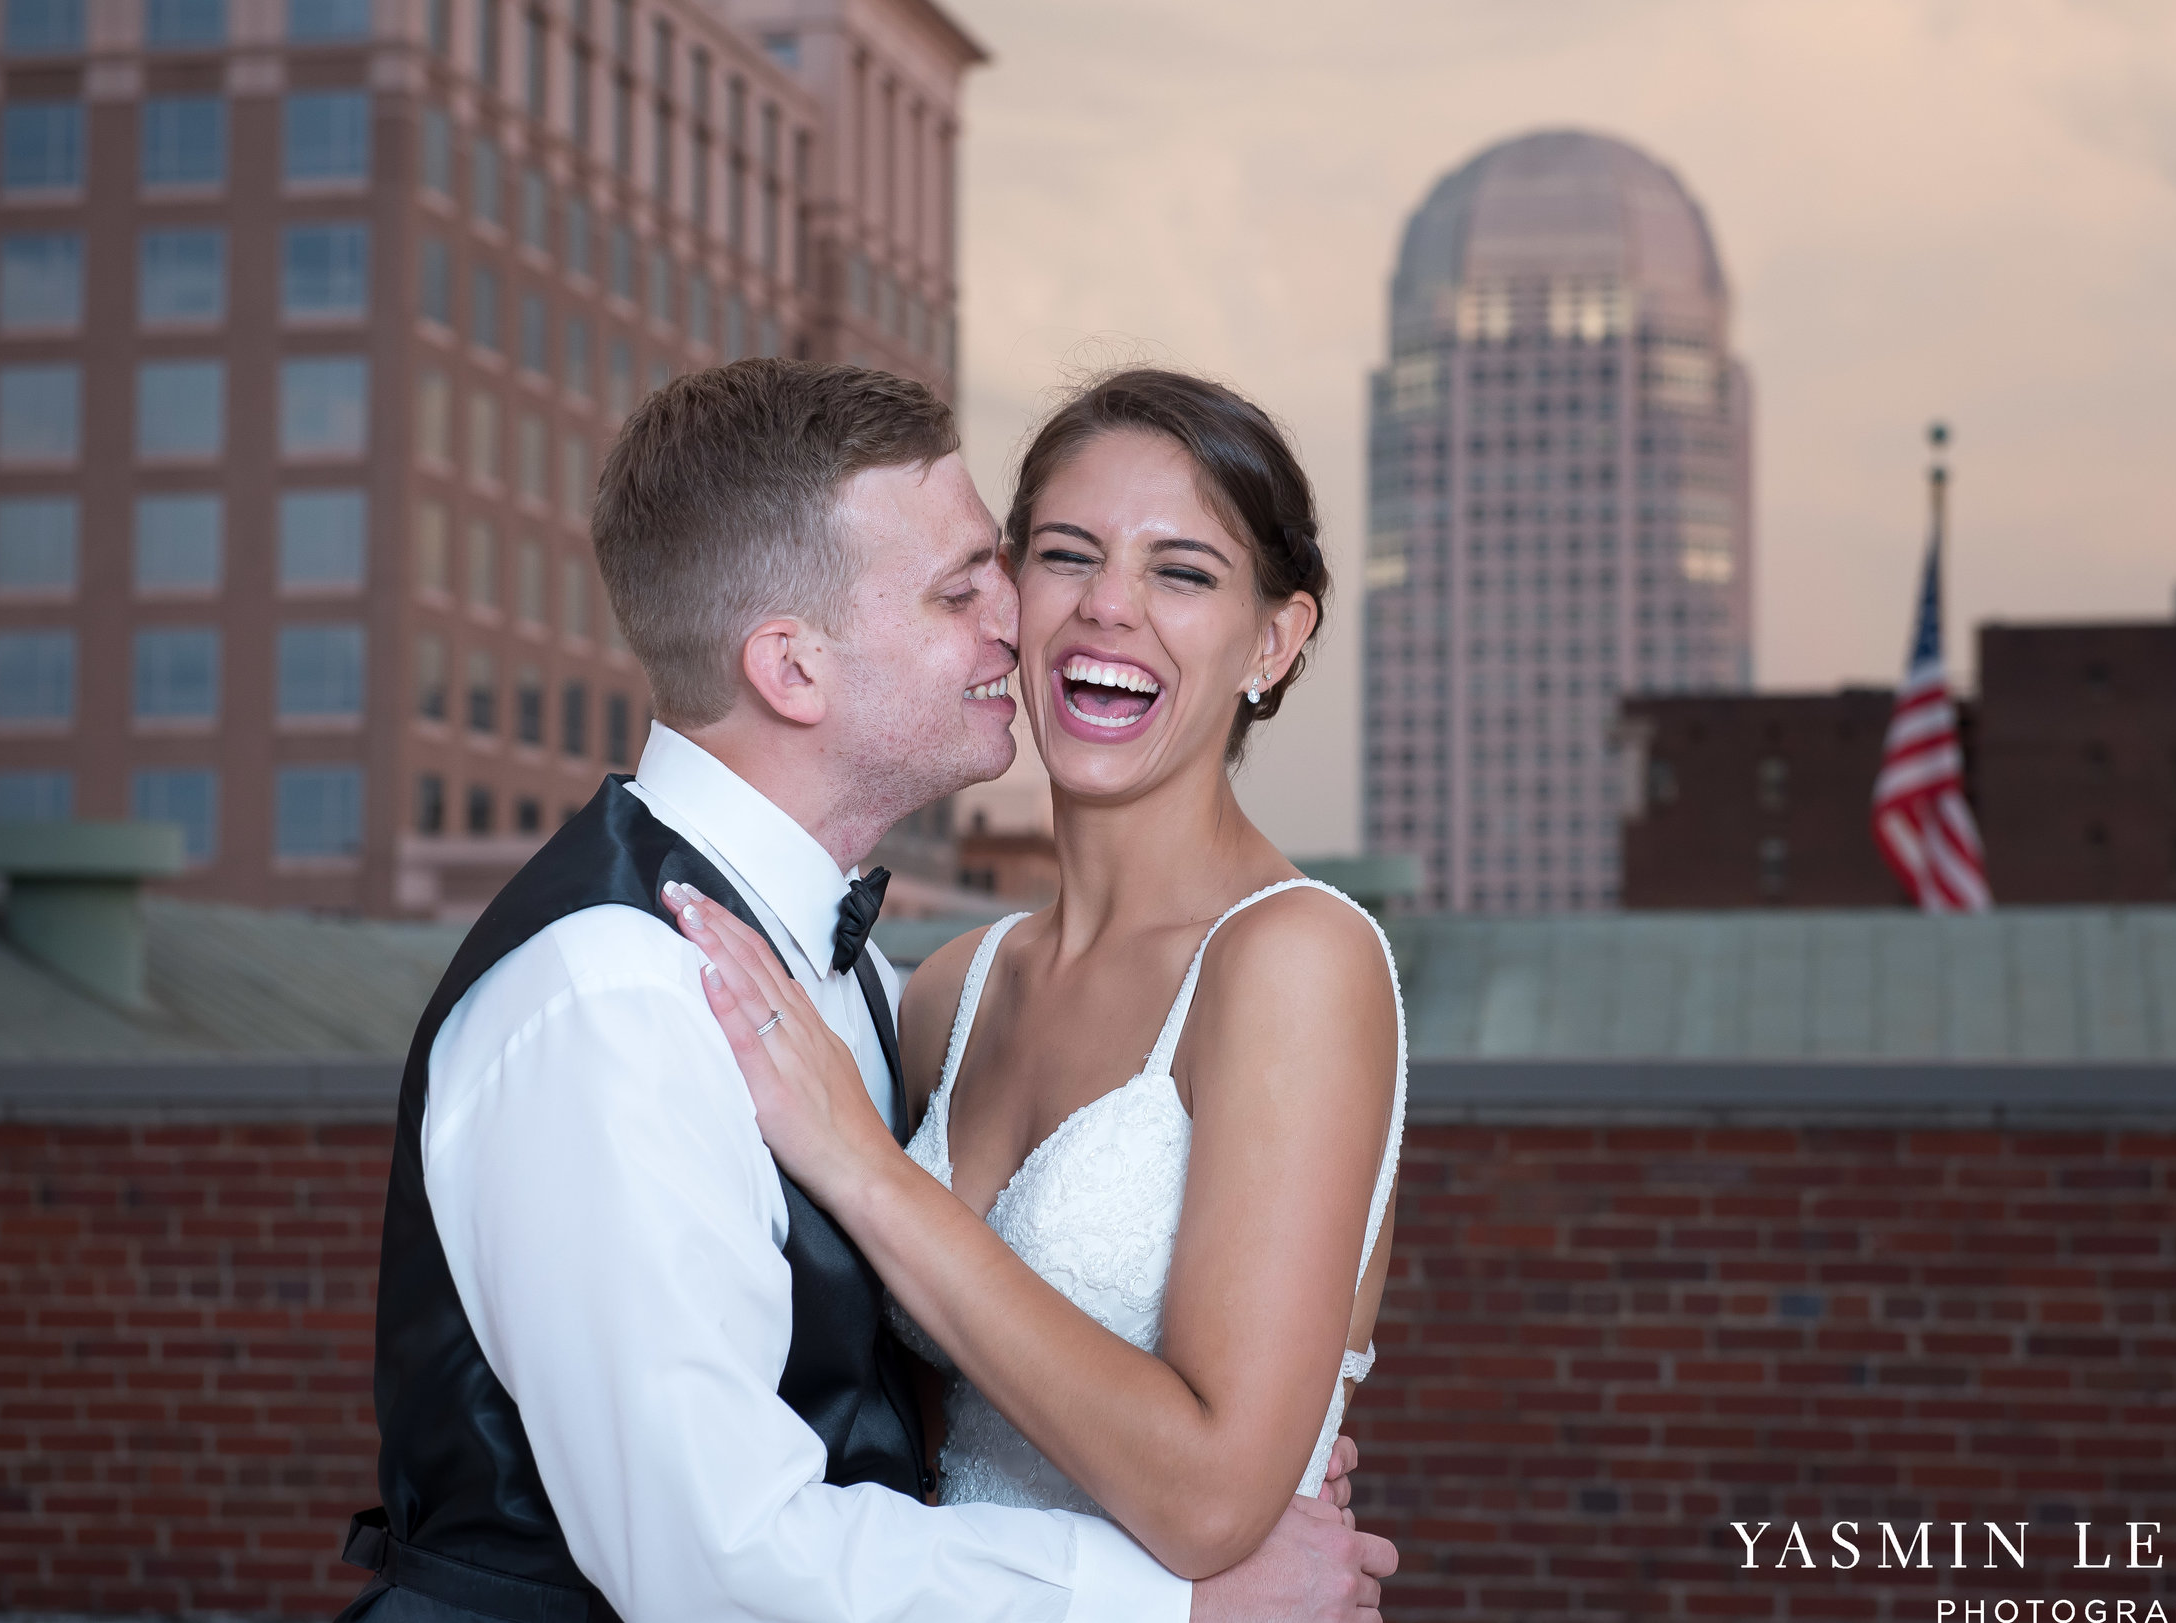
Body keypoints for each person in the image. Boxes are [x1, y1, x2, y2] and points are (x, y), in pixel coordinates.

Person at [337, 361, 1395, 1622]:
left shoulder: (854, 984)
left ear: (1276, 638)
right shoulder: (651, 994)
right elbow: (711, 1556)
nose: (1034, 619)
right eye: (1005, 572)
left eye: (1180, 569)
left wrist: (1236, 1482)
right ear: (791, 669)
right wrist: (1168, 1593)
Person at [666, 368, 1407, 1587]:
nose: (1110, 606)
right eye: (1067, 555)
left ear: (1274, 639)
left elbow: (1213, 1500)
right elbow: (891, 1427)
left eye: (1181, 571)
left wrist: (860, 1163)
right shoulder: (951, 993)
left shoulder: (1294, 961)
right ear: (1007, 596)